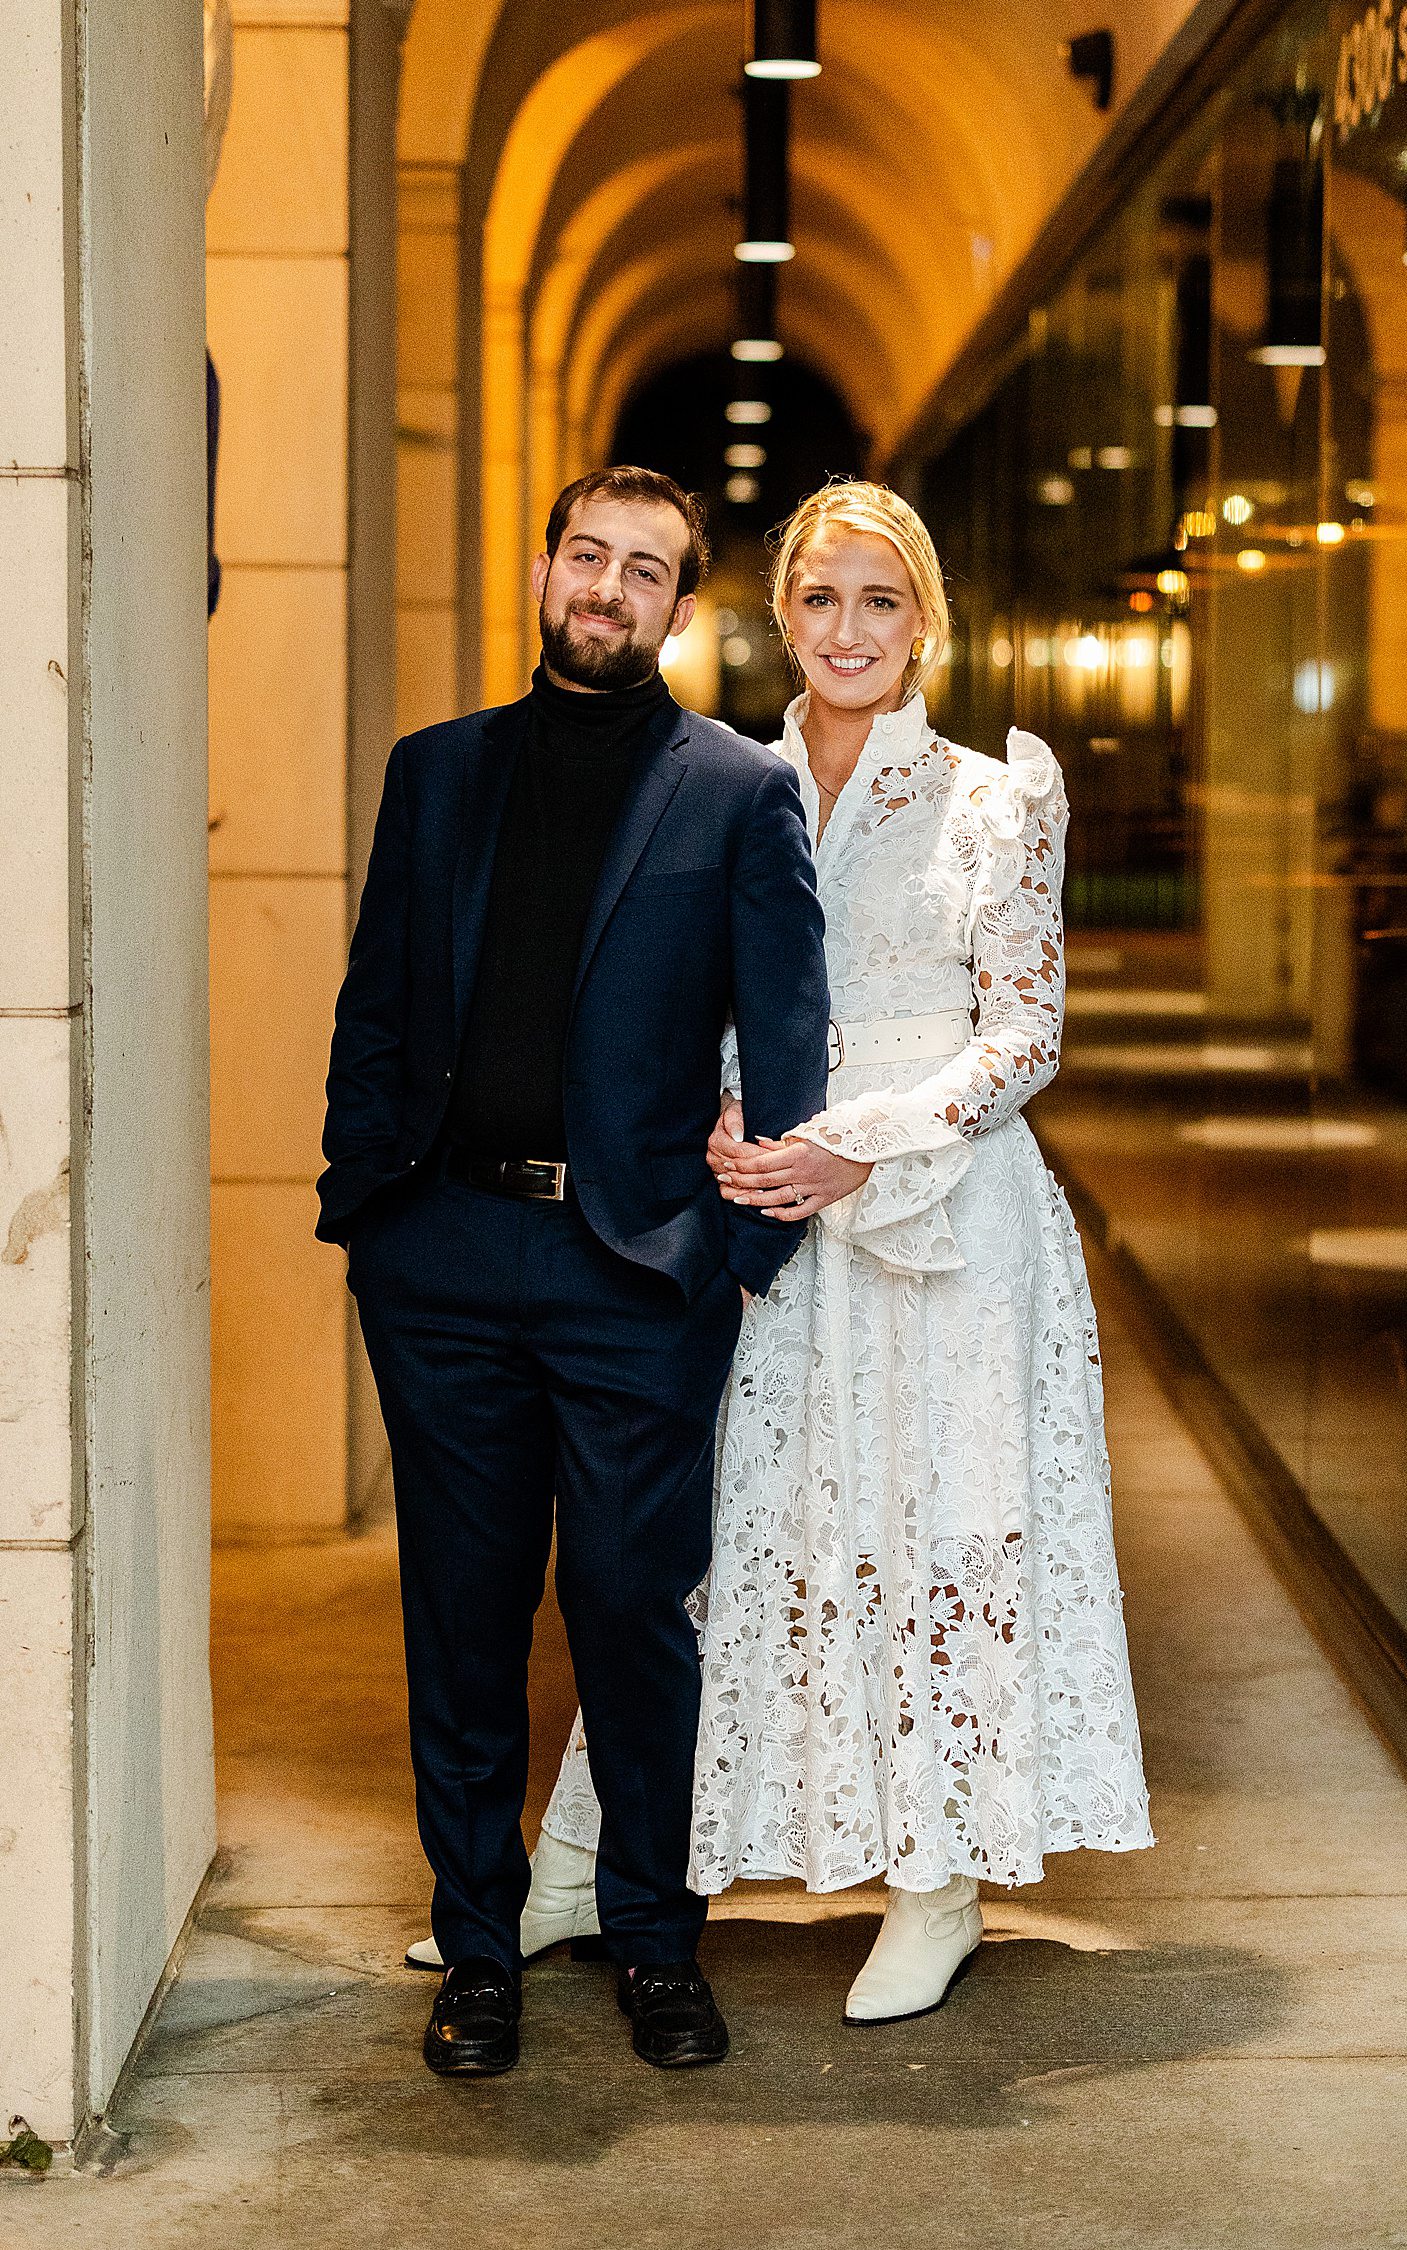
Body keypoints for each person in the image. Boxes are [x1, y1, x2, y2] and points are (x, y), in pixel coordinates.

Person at [472, 479, 1153, 2025]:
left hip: (949, 1223)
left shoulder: (997, 797)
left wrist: (868, 1136)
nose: (850, 631)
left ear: (924, 625)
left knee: (940, 1529)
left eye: (882, 602)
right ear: (779, 615)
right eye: (823, 600)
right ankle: (598, 1854)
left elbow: (1027, 1031)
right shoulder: (715, 779)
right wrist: (724, 1114)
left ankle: (937, 1880)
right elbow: (685, 994)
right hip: (764, 1209)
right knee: (707, 1539)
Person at [318, 466, 829, 2076]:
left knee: (628, 1610)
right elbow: (376, 1006)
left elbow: (793, 1035)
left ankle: (653, 1937)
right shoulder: (437, 773)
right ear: (547, 574)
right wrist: (363, 1206)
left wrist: (739, 1254)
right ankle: (478, 1954)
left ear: (682, 611)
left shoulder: (738, 793)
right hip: (446, 1250)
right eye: (587, 557)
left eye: (645, 571)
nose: (607, 588)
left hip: (639, 1267)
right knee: (461, 1615)